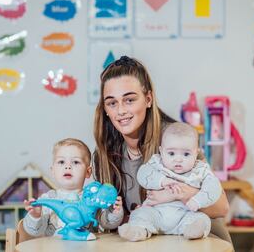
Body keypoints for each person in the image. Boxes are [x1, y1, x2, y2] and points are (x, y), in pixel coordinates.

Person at [92, 56, 232, 243]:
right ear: (106, 109)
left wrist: (174, 193)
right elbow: (109, 219)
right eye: (112, 103)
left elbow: (221, 207)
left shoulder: (177, 142)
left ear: (148, 99)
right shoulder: (105, 154)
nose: (120, 111)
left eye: (129, 100)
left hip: (198, 242)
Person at [119, 122, 222, 241]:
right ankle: (138, 230)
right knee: (140, 214)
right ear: (161, 151)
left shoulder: (200, 170)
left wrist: (197, 201)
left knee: (202, 219)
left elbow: (214, 187)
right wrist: (162, 180)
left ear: (196, 153)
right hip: (157, 213)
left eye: (186, 154)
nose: (178, 159)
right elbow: (143, 173)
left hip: (185, 213)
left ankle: (193, 231)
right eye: (171, 153)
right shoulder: (157, 163)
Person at [22, 138, 124, 240]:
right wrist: (35, 216)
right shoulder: (48, 198)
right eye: (61, 162)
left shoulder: (92, 198)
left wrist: (114, 211)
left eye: (75, 162)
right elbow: (35, 231)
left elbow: (108, 223)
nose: (68, 166)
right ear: (53, 171)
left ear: (88, 172)